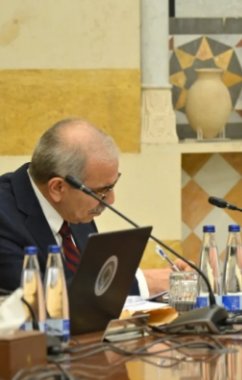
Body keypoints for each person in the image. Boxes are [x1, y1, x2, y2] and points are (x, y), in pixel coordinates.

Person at [0, 118, 190, 295]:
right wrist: (140, 282)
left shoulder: (75, 210)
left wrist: (157, 280)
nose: (110, 200)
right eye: (101, 191)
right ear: (57, 188)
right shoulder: (4, 218)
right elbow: (36, 296)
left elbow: (89, 286)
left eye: (112, 187)